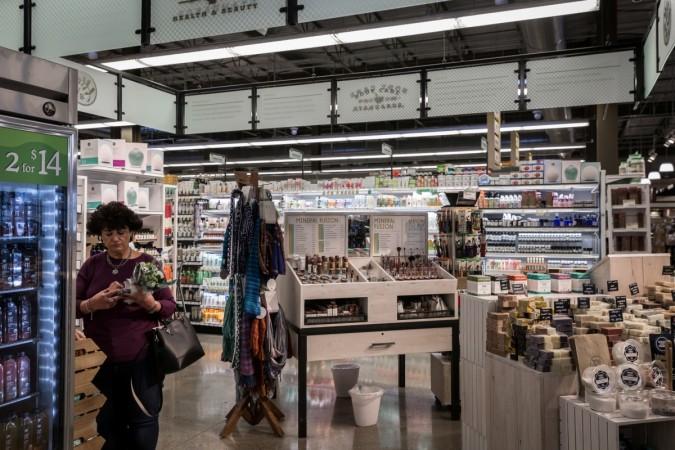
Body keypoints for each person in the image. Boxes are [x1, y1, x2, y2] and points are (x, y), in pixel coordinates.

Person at [76, 201, 176, 450]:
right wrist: (92, 304)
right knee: (106, 421)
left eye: (121, 232)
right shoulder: (92, 265)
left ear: (131, 232)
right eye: (108, 233)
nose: (115, 239)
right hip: (99, 359)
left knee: (143, 418)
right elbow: (71, 303)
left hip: (141, 357)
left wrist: (148, 302)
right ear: (100, 234)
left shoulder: (147, 264)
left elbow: (169, 306)